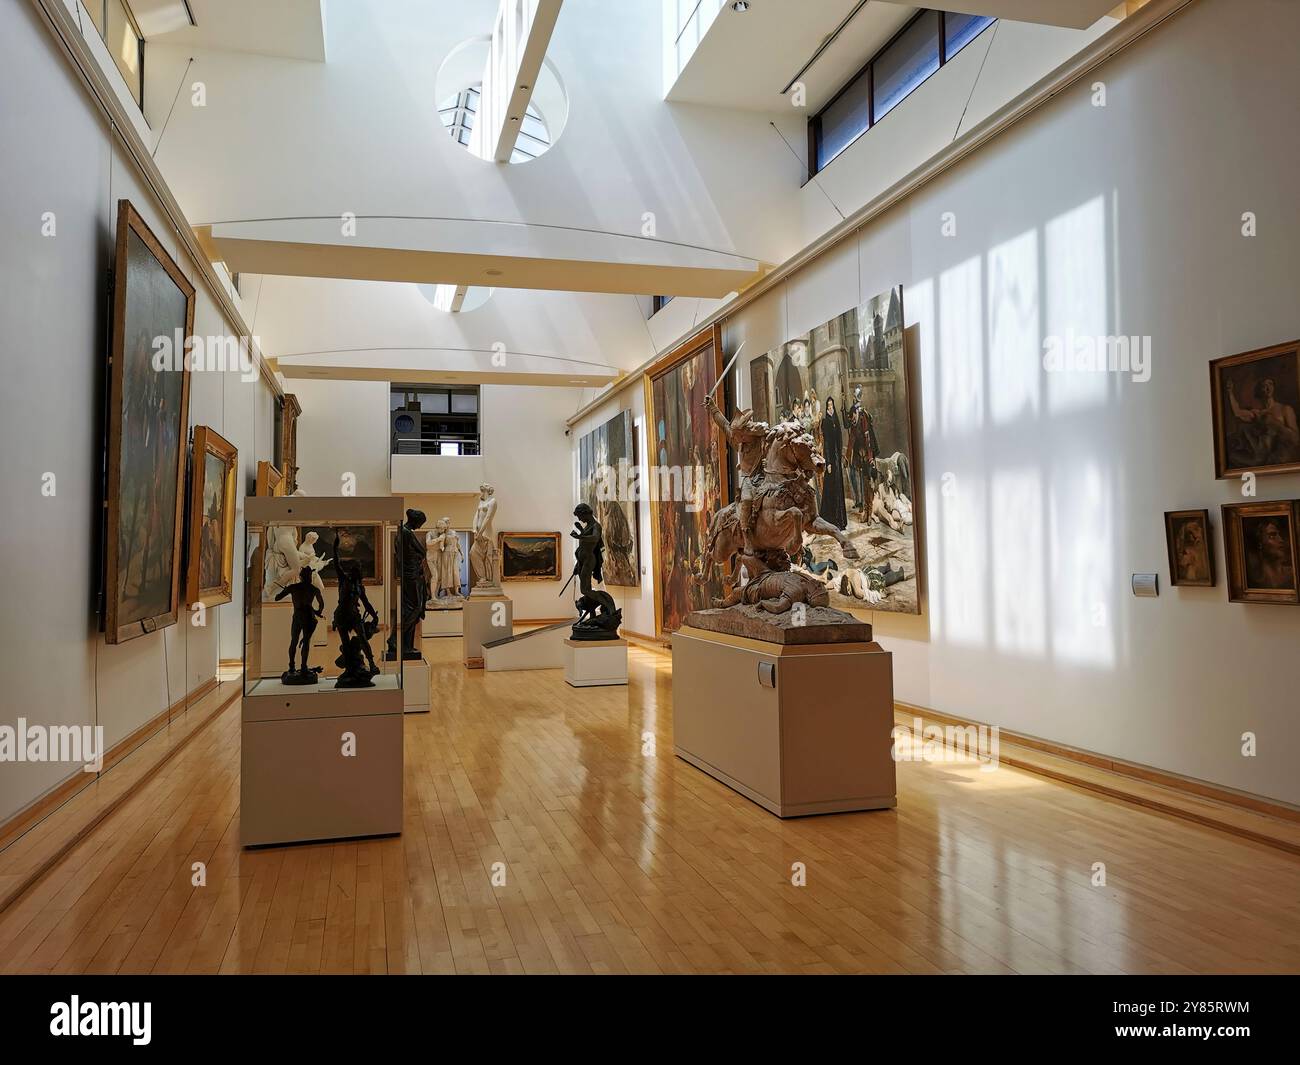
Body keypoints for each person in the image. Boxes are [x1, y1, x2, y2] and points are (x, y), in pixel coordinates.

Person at [704, 392, 768, 557]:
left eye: (739, 434)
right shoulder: (737, 441)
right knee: (746, 499)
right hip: (749, 480)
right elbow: (723, 424)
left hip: (766, 476)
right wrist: (712, 407)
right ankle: (747, 538)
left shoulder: (760, 438)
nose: (736, 437)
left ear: (745, 431)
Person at [1227, 377, 1300, 468]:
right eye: (1264, 386)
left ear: (1274, 387)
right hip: (1262, 459)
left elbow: (1296, 439)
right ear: (1260, 390)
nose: (1268, 387)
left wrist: (1276, 425)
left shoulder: (1285, 409)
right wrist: (1230, 393)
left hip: (1282, 459)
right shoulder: (1258, 413)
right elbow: (1237, 413)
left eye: (1270, 384)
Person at [274, 565, 324, 680]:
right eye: (310, 575)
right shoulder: (313, 589)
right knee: (305, 642)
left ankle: (292, 667)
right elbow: (321, 604)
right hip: (308, 617)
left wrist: (286, 589)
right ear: (308, 577)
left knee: (294, 641)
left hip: (298, 617)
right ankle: (303, 667)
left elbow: (277, 598)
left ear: (301, 577)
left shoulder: (294, 587)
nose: (310, 577)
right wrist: (317, 611)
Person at [818, 396, 848, 530]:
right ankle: (831, 519)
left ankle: (840, 520)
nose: (830, 408)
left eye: (831, 405)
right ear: (826, 407)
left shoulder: (836, 419)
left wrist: (840, 456)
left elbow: (839, 440)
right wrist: (828, 462)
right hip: (831, 460)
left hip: (837, 458)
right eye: (828, 406)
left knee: (838, 486)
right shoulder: (826, 422)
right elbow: (827, 444)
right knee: (831, 488)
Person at [1246, 518, 1295, 590]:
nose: (1281, 540)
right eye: (1272, 536)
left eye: (1279, 535)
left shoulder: (1292, 574)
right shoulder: (1254, 580)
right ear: (1260, 543)